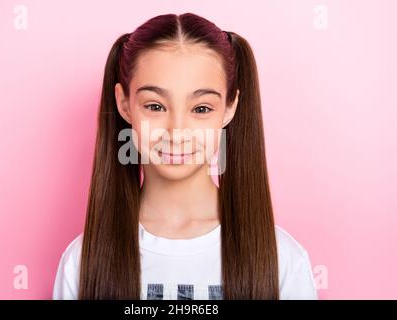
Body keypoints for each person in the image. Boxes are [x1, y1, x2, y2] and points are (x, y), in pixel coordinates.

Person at [53, 12, 318, 300]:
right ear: (124, 104)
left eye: (201, 109)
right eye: (155, 106)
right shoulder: (81, 264)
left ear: (229, 108)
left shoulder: (283, 262)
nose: (177, 132)